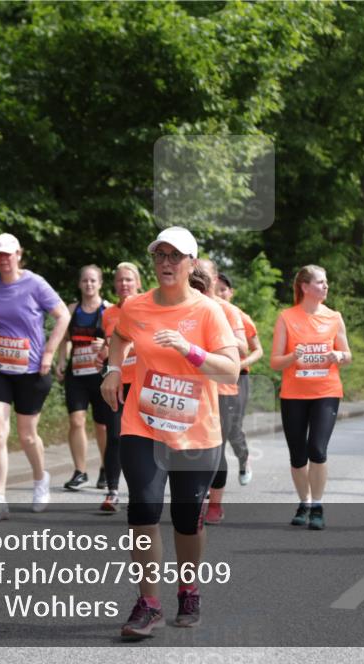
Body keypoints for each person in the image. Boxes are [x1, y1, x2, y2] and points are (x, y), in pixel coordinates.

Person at [100, 226, 238, 638]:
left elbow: (230, 370)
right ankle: (149, 603)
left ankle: (188, 590)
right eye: (160, 255)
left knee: (186, 518)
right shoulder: (136, 306)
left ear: (191, 263)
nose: (165, 263)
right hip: (142, 424)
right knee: (143, 507)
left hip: (196, 433)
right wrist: (113, 369)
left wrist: (187, 348)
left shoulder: (209, 311)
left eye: (175, 256)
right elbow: (120, 337)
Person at [0, 233, 70, 519]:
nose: (3, 259)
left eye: (8, 254)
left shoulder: (35, 283)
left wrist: (49, 352)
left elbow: (63, 315)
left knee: (27, 435)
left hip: (31, 370)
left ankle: (40, 478)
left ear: (18, 255)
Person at [271, 265, 352, 531]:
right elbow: (275, 362)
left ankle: (317, 505)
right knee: (298, 455)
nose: (326, 286)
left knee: (317, 449)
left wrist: (339, 356)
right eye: (320, 282)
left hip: (326, 392)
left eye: (326, 282)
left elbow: (347, 355)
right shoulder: (286, 317)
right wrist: (292, 357)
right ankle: (303, 502)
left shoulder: (334, 317)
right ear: (305, 287)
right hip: (293, 394)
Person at [197, 259, 248, 525]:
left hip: (223, 388)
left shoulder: (227, 310)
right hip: (190, 387)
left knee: (216, 448)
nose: (197, 277)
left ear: (214, 278)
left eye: (203, 273)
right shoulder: (182, 305)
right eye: (194, 273)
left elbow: (243, 347)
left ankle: (215, 503)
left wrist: (217, 332)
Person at [55, 265, 113, 490]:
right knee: (76, 420)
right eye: (85, 280)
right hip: (77, 375)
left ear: (100, 284)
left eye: (93, 280)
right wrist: (61, 360)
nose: (89, 284)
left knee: (102, 426)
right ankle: (80, 471)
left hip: (100, 375)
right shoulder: (71, 309)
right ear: (79, 284)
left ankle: (106, 469)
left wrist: (105, 347)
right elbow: (64, 339)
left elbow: (117, 341)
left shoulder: (108, 310)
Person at [97, 262, 142, 512]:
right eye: (120, 280)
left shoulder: (148, 308)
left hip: (143, 382)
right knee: (114, 436)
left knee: (141, 439)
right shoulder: (108, 314)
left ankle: (140, 491)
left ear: (138, 283)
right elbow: (109, 346)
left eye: (129, 279)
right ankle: (112, 491)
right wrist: (102, 352)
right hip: (117, 381)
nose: (124, 284)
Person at [215, 272, 263, 484]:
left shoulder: (239, 317)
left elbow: (258, 350)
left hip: (237, 377)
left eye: (223, 289)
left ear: (231, 292)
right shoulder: (202, 312)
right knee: (213, 430)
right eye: (215, 289)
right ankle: (211, 481)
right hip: (211, 376)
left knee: (232, 428)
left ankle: (244, 459)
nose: (219, 294)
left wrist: (239, 364)